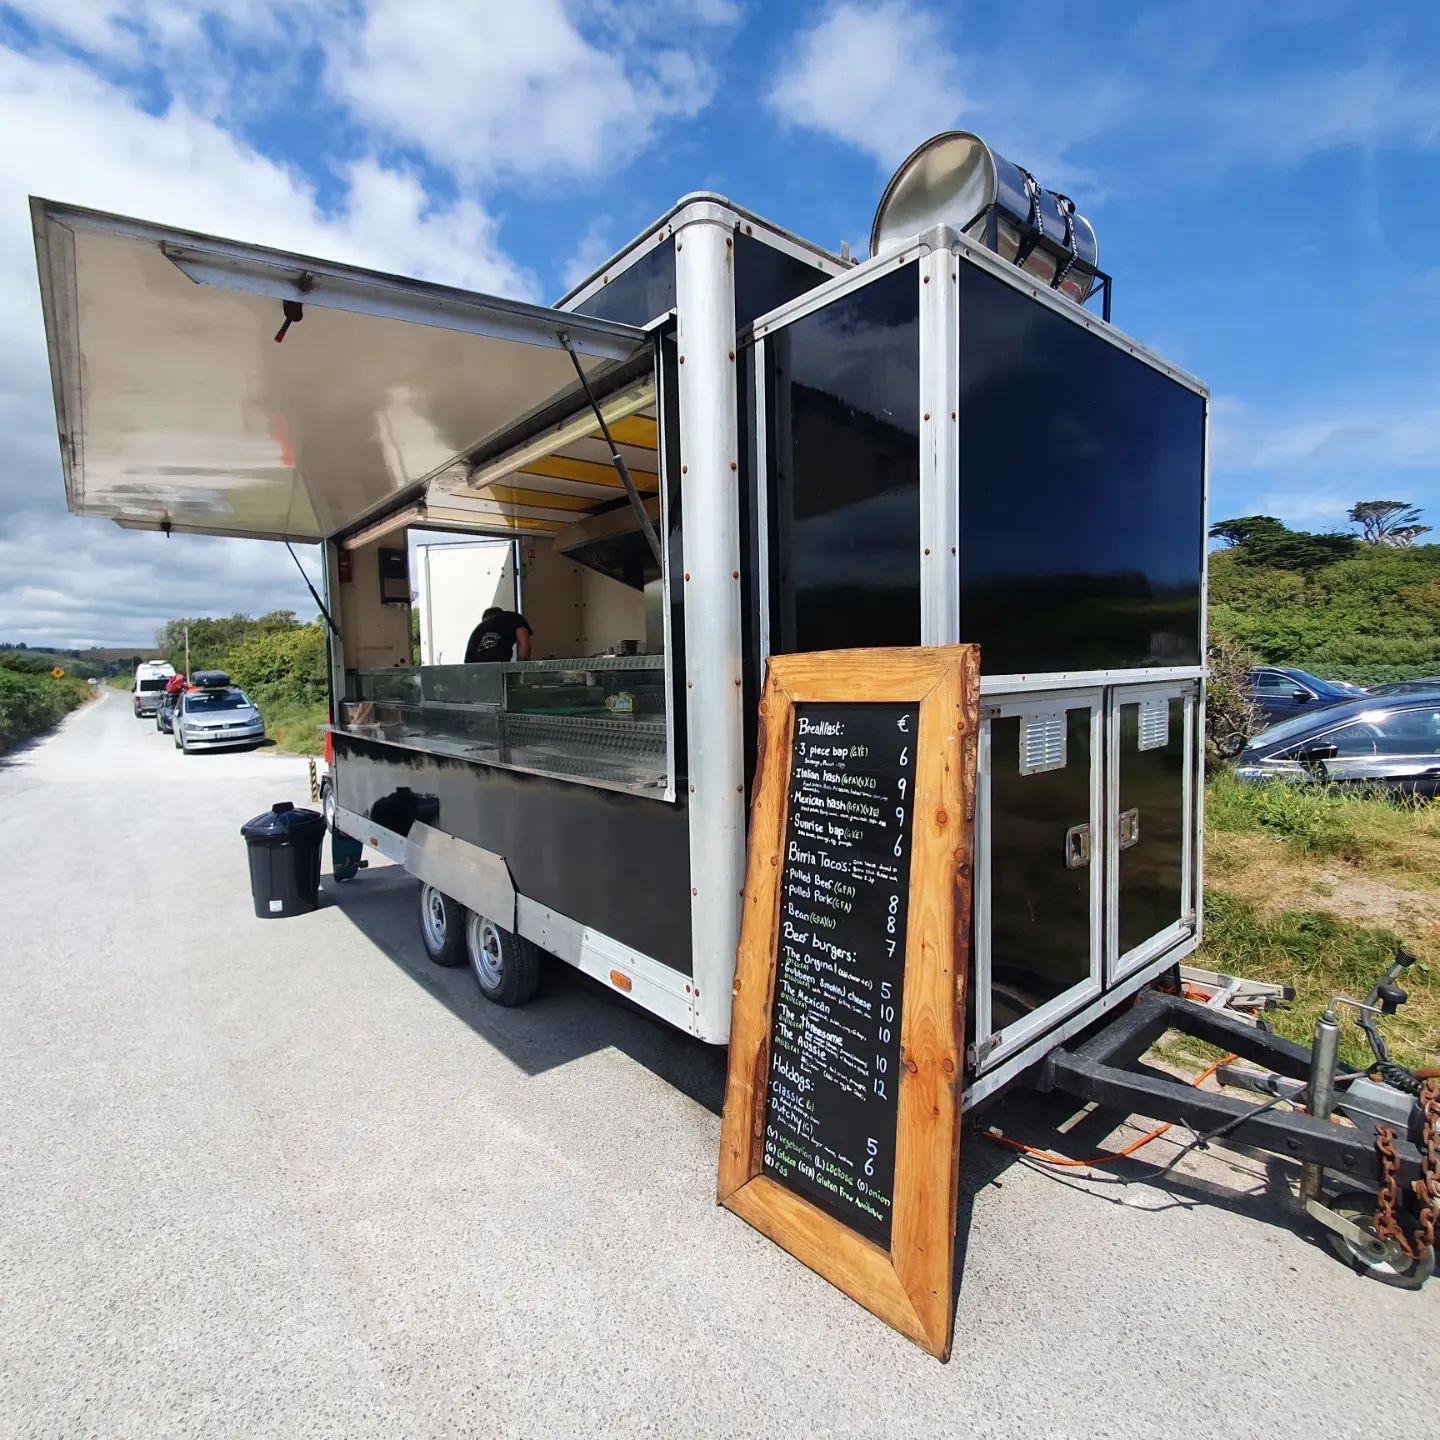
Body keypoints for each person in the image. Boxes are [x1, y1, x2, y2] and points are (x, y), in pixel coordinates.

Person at [464, 606, 533, 663]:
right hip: (497, 671)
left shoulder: (478, 629)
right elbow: (524, 646)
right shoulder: (512, 617)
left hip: (472, 672)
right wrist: (519, 669)